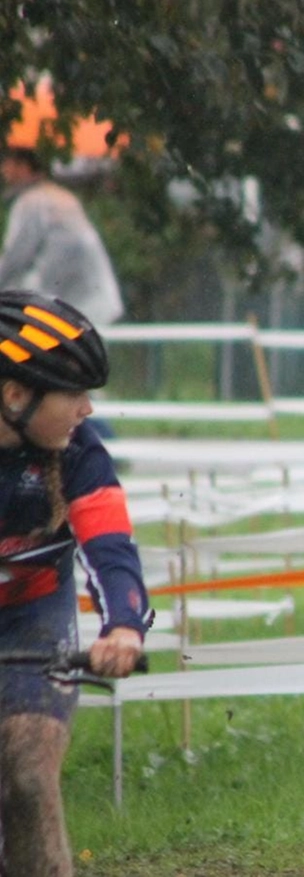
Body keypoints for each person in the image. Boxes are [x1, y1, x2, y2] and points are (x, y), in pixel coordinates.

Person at [0, 289, 150, 875]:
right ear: (16, 394)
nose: (88, 411)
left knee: (30, 777)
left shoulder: (78, 453)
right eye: (76, 395)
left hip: (35, 620)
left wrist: (123, 628)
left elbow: (111, 551)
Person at [0, 147, 125, 328]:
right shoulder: (57, 195)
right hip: (94, 303)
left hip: (77, 309)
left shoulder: (32, 202)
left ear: (23, 166)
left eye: (7, 163)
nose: (3, 170)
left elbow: (14, 259)